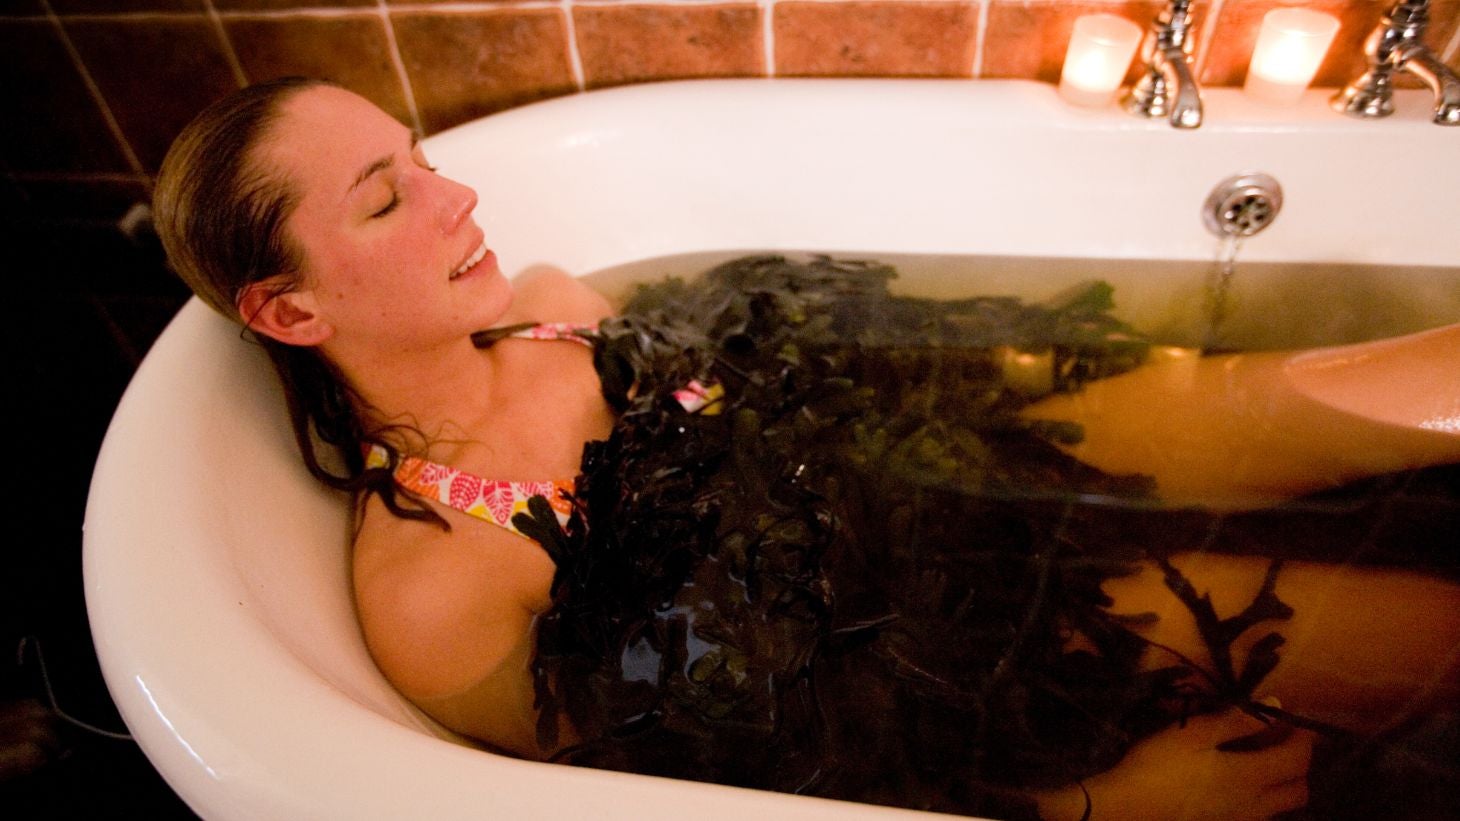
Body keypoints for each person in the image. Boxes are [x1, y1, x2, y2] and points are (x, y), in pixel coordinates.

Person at [153, 78, 1460, 820]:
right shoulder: (439, 592)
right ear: (290, 310)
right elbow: (691, 777)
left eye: (419, 158)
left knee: (1258, 400)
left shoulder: (554, 296)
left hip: (951, 480)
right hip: (974, 663)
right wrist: (1084, 800)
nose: (461, 195)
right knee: (1420, 641)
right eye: (388, 198)